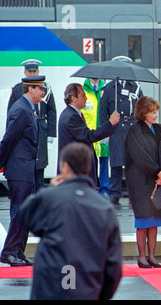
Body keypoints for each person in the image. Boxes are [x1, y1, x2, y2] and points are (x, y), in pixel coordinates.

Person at [20, 142, 122, 299]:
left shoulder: (51, 198)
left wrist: (52, 189)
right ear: (88, 167)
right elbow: (113, 264)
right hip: (87, 288)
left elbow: (26, 216)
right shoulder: (105, 207)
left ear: (65, 167)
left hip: (50, 288)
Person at [0, 76, 46, 267]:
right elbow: (8, 138)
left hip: (26, 169)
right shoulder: (21, 109)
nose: (43, 92)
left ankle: (18, 251)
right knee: (20, 211)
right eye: (40, 89)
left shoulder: (29, 108)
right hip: (19, 169)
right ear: (30, 89)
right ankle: (9, 251)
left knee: (24, 211)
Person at [125, 96, 161, 268]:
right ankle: (141, 257)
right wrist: (156, 172)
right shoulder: (134, 130)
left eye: (156, 112)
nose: (156, 115)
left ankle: (152, 257)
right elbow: (139, 156)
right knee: (144, 220)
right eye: (153, 112)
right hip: (140, 182)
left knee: (155, 220)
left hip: (158, 181)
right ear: (144, 113)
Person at [99, 56, 143, 206]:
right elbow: (102, 111)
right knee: (116, 163)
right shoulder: (110, 88)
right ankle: (115, 193)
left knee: (132, 164)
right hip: (116, 129)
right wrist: (104, 131)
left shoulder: (136, 87)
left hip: (131, 128)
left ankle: (133, 194)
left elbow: (141, 109)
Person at [7, 59, 57, 191]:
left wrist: (51, 132)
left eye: (34, 71)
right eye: (30, 71)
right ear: (25, 72)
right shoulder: (17, 89)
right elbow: (10, 113)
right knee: (27, 165)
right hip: (25, 129)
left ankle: (38, 195)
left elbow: (52, 111)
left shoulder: (46, 89)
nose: (32, 74)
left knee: (39, 165)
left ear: (38, 71)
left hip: (41, 127)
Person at [58, 83, 120, 186]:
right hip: (75, 174)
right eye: (83, 95)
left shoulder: (72, 114)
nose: (86, 98)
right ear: (74, 98)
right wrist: (110, 123)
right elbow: (88, 136)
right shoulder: (71, 117)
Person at [82, 77, 110, 197]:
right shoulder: (83, 90)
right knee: (88, 163)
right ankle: (90, 189)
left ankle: (104, 190)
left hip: (103, 131)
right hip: (89, 133)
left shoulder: (107, 89)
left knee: (104, 162)